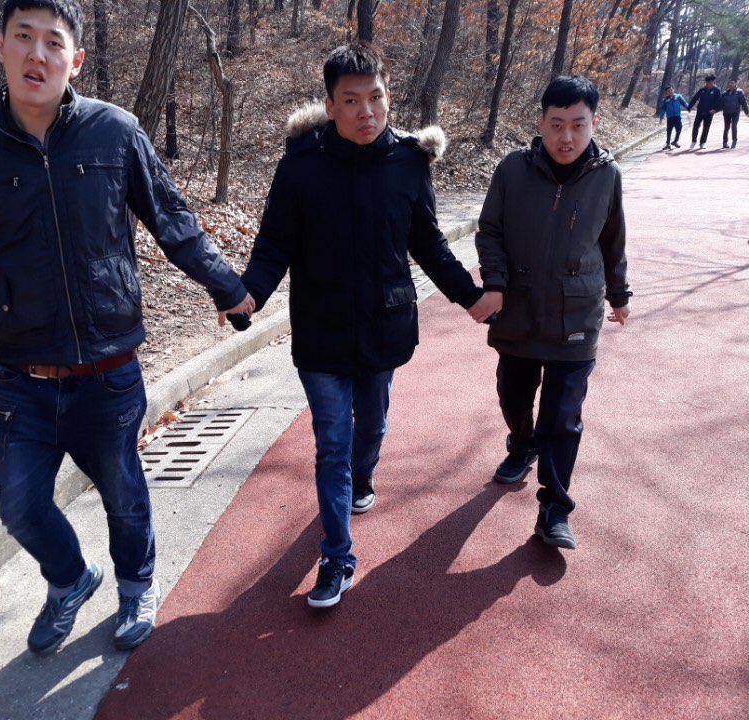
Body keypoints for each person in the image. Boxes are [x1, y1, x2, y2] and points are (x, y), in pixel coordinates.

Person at [0, 0, 254, 655]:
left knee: (124, 497)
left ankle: (136, 585)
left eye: (53, 42)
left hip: (108, 371)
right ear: (0, 46)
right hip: (24, 374)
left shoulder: (115, 131)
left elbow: (171, 218)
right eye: (24, 37)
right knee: (17, 502)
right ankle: (71, 578)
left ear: (74, 59)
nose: (37, 54)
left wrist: (226, 283)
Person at [239, 44, 494, 608]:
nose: (366, 111)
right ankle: (337, 558)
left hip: (384, 324)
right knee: (331, 444)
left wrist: (471, 297)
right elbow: (275, 241)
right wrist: (249, 295)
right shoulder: (301, 165)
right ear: (330, 106)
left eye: (375, 97)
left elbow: (428, 243)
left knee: (371, 426)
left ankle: (363, 475)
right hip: (321, 329)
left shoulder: (408, 162)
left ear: (389, 96)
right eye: (351, 100)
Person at [474, 75, 631, 550]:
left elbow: (613, 241)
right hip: (519, 310)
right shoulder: (512, 170)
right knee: (514, 397)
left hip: (576, 316)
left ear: (593, 124)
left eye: (578, 125)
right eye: (557, 124)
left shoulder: (606, 175)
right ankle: (521, 443)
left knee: (562, 417)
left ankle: (554, 509)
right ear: (541, 123)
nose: (567, 137)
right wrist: (495, 283)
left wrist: (619, 294)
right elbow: (489, 230)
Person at [687, 74, 722, 149]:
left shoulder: (716, 90)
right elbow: (695, 98)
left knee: (706, 128)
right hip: (700, 111)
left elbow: (719, 102)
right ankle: (693, 141)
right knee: (696, 126)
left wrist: (715, 109)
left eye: (709, 82)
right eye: (706, 82)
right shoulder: (702, 90)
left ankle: (702, 143)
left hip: (709, 112)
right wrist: (689, 106)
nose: (707, 84)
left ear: (712, 82)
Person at [720, 79, 749, 148]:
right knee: (726, 127)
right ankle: (725, 143)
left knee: (733, 126)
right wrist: (715, 110)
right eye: (729, 83)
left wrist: (747, 112)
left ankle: (734, 141)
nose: (730, 84)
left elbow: (743, 103)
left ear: (735, 84)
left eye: (732, 83)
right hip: (726, 113)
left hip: (735, 113)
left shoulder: (739, 93)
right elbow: (720, 104)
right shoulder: (724, 94)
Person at [657, 85, 688, 150]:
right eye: (668, 91)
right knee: (669, 130)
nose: (670, 91)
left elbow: (684, 103)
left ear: (673, 90)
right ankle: (668, 144)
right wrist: (661, 118)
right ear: (666, 93)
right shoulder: (665, 100)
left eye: (671, 90)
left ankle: (675, 141)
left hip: (677, 116)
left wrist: (689, 107)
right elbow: (663, 109)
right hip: (670, 117)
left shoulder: (678, 96)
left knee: (679, 128)